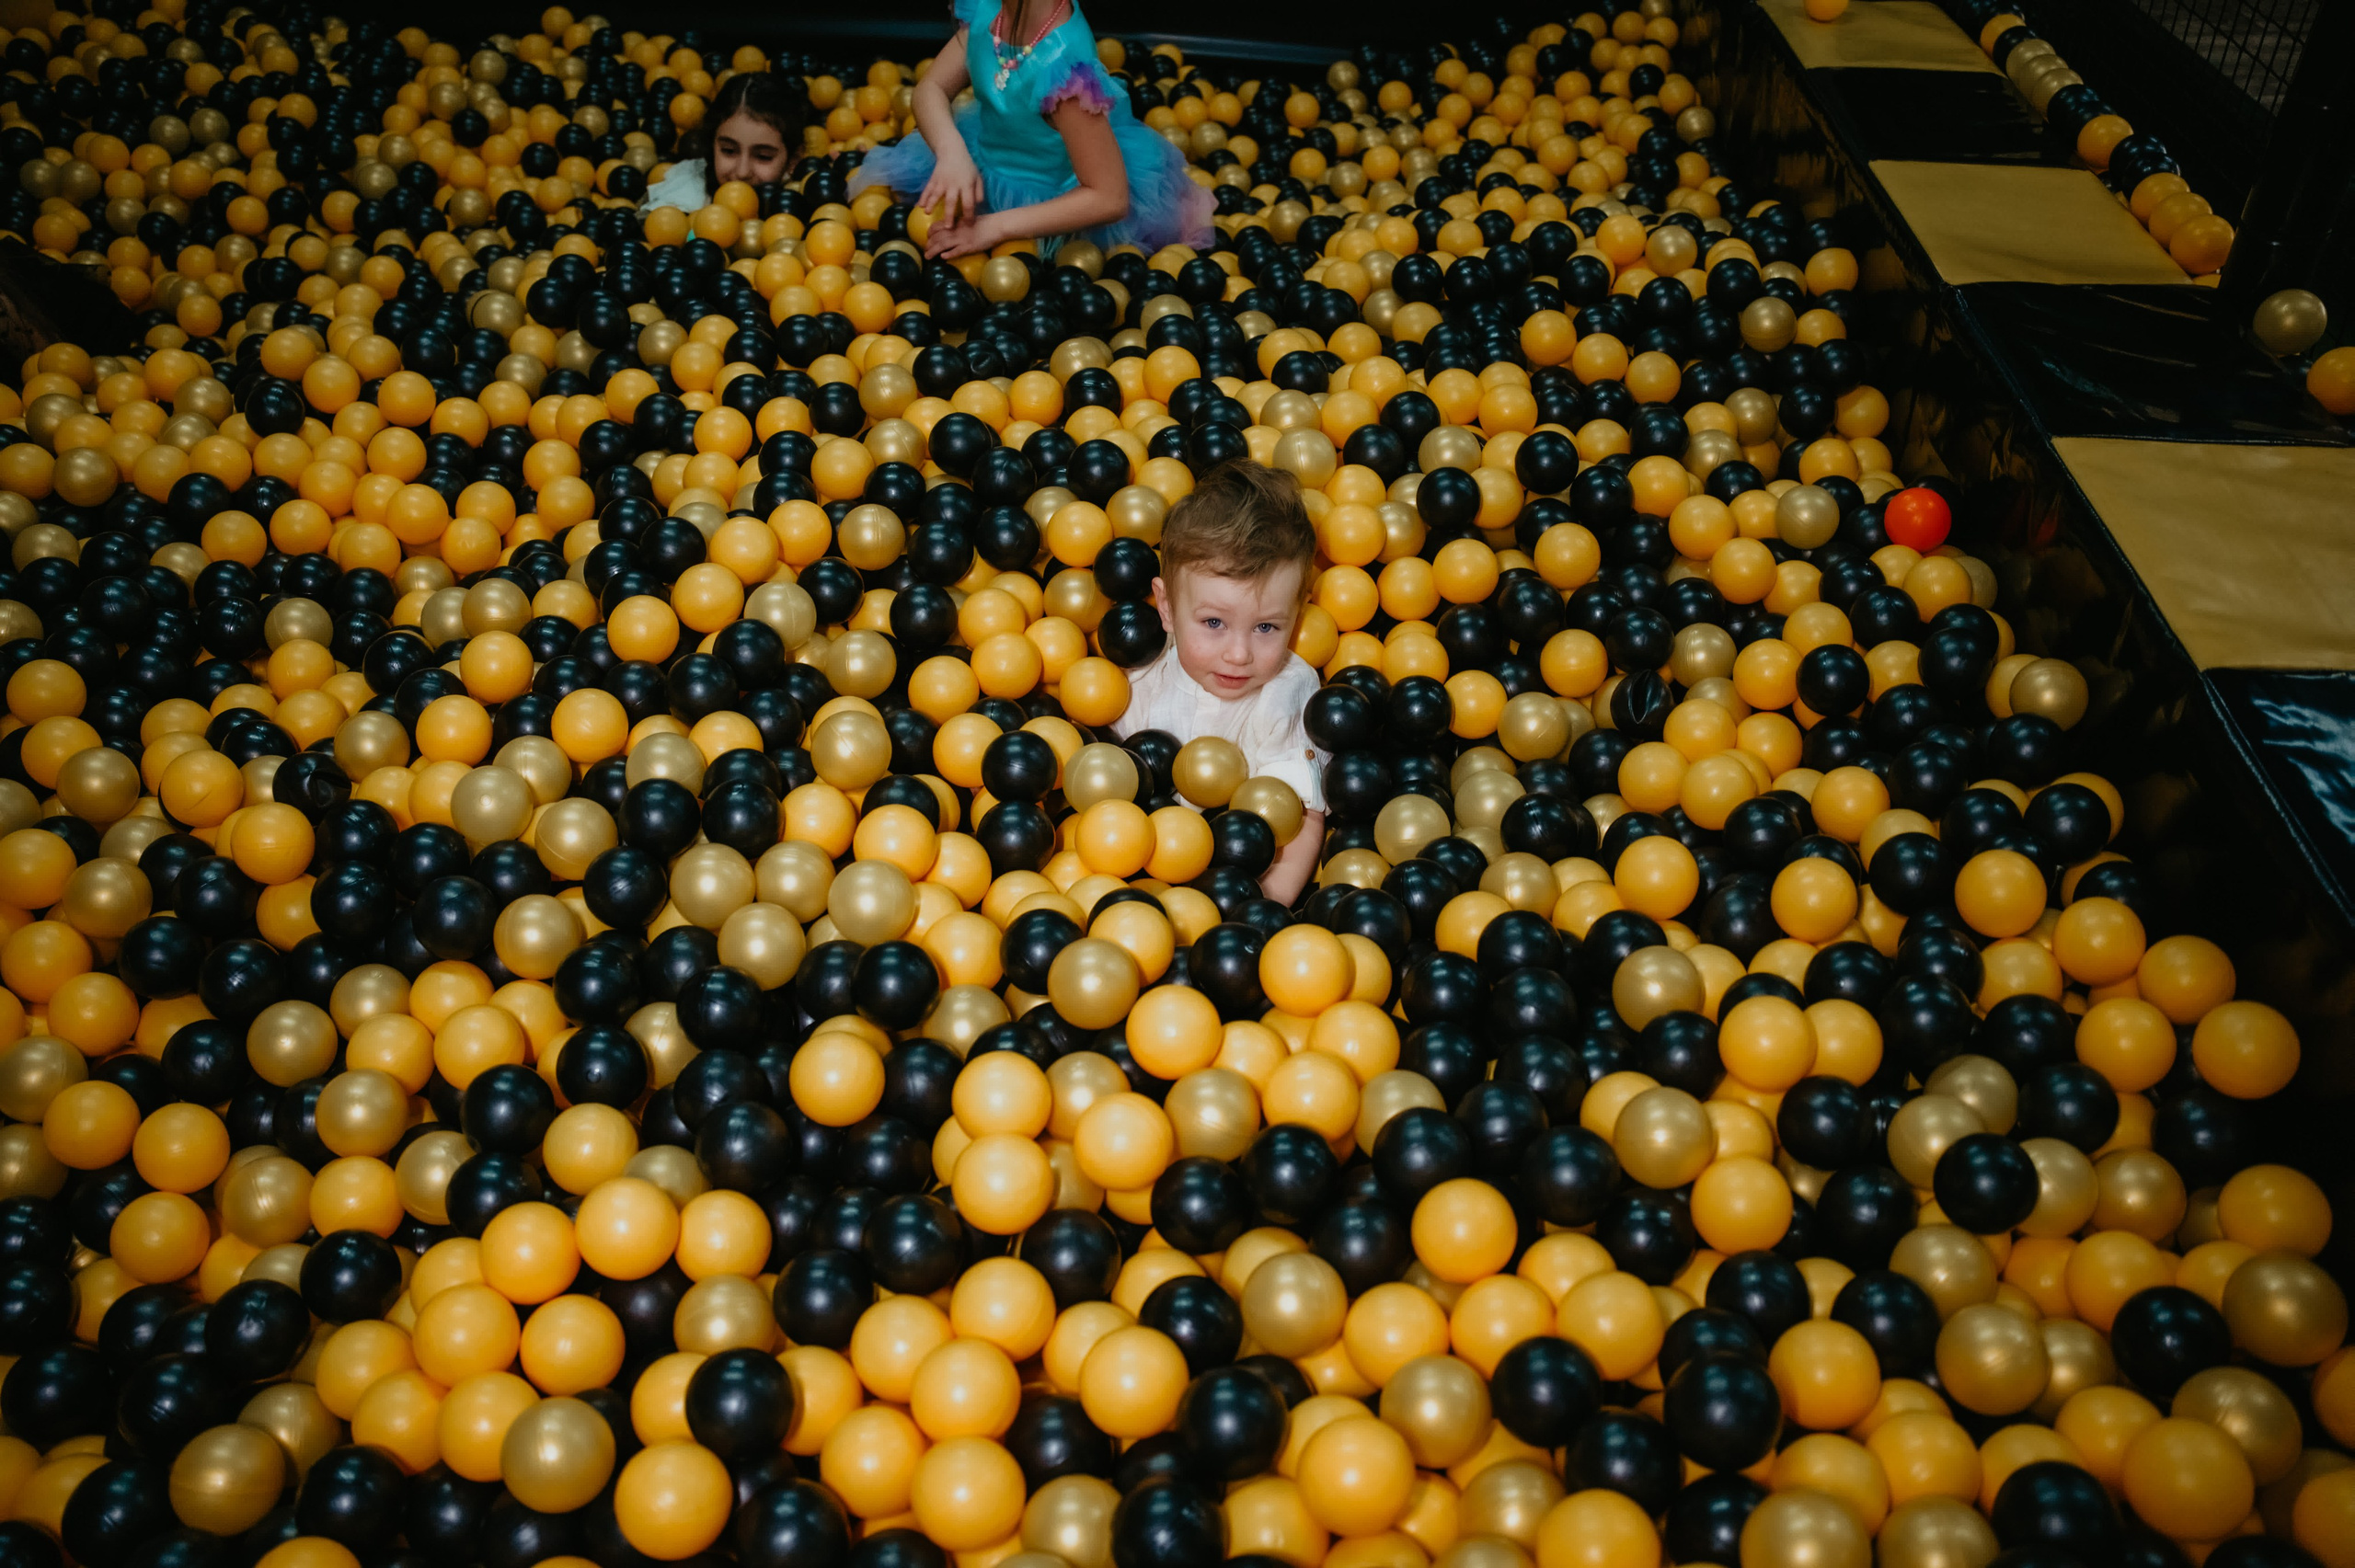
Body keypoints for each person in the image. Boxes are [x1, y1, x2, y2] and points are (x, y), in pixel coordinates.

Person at [1113, 461, 1327, 906]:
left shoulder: (1285, 694)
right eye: (1214, 622)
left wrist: (1265, 904)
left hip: (1233, 880)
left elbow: (1302, 818)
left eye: (1266, 627)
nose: (1239, 654)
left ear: (1298, 612)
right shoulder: (1137, 678)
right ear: (1167, 609)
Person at [850, 0, 1213, 259]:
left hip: (1053, 204)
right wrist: (952, 151)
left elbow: (1109, 197)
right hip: (985, 157)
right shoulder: (987, 9)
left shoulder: (1062, 67)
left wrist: (993, 227)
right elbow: (930, 89)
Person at [643, 72, 808, 212]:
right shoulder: (682, 202)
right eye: (729, 151)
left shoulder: (804, 197)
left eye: (763, 156)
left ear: (793, 160)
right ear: (713, 146)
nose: (742, 172)